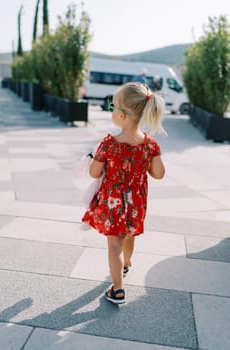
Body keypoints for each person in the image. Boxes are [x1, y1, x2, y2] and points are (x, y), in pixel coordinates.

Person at [82, 82, 166, 304]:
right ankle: (127, 263)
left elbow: (94, 173)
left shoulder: (109, 143)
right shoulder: (151, 145)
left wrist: (93, 160)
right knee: (129, 235)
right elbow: (158, 173)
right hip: (136, 202)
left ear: (122, 115)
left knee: (114, 243)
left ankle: (118, 289)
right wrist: (144, 164)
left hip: (113, 203)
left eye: (112, 107)